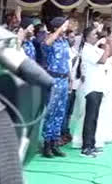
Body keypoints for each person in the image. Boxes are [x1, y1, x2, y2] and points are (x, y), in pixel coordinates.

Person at [78, 26, 112, 157]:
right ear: (87, 37)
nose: (97, 35)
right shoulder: (87, 50)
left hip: (98, 86)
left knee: (94, 117)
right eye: (94, 34)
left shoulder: (94, 48)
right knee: (90, 118)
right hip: (91, 87)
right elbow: (102, 60)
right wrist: (106, 46)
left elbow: (107, 55)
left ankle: (92, 143)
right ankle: (86, 146)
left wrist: (108, 44)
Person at [42, 16, 71, 158]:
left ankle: (55, 142)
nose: (66, 27)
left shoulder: (64, 41)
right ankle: (46, 144)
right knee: (51, 112)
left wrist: (70, 78)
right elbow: (46, 44)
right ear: (57, 27)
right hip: (54, 79)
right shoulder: (50, 39)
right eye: (64, 25)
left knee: (60, 113)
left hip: (64, 79)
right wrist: (59, 29)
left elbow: (67, 61)